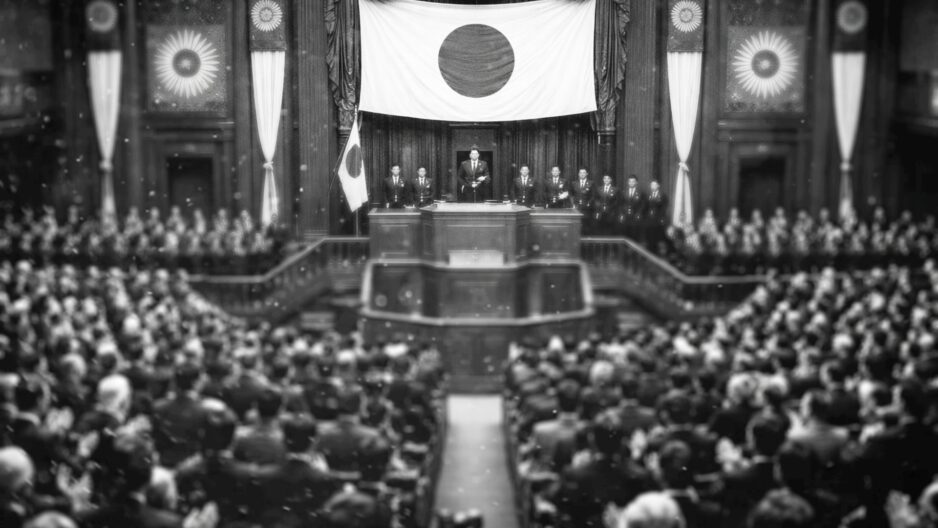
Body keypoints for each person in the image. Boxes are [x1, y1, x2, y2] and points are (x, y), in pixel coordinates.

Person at [619, 175, 645, 239]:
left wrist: (639, 213)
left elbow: (643, 204)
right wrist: (622, 214)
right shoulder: (624, 192)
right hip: (626, 216)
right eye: (630, 181)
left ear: (636, 182)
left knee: (635, 234)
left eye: (633, 181)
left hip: (635, 216)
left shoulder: (641, 193)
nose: (631, 183)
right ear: (628, 182)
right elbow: (620, 204)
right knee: (625, 234)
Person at [645, 179, 669, 247]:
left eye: (654, 185)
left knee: (658, 238)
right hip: (650, 220)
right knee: (650, 238)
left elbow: (664, 208)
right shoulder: (648, 196)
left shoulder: (662, 196)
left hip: (658, 220)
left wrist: (659, 216)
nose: (653, 186)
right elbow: (645, 207)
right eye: (652, 185)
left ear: (658, 185)